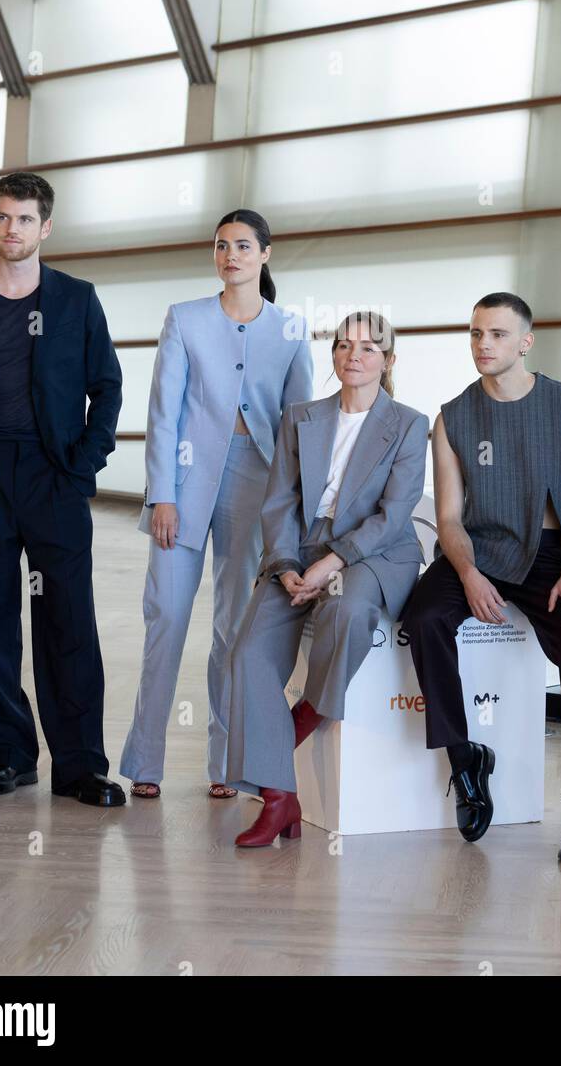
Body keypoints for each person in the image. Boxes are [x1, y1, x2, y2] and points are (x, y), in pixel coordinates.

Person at [0, 171, 125, 805]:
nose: (14, 229)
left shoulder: (76, 299)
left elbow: (108, 386)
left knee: (68, 617)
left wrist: (84, 462)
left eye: (26, 219)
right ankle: (7, 756)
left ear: (46, 227)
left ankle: (81, 766)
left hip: (52, 475)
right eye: (4, 217)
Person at [401, 293, 561, 862]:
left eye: (496, 334)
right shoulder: (453, 417)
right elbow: (447, 518)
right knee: (423, 616)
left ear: (524, 342)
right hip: (482, 548)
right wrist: (466, 572)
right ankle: (465, 759)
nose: (483, 345)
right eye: (475, 334)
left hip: (552, 558)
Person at [120, 210, 313, 800]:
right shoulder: (185, 319)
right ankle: (145, 761)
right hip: (183, 482)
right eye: (222, 246)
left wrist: (290, 512)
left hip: (255, 486)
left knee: (234, 628)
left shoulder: (290, 329)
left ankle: (225, 762)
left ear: (265, 255)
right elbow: (162, 413)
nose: (231, 255)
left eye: (244, 246)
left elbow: (298, 423)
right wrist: (162, 495)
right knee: (168, 617)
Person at [226, 311, 428, 847]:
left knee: (346, 611)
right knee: (247, 653)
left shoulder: (408, 423)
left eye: (368, 347)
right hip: (298, 547)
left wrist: (334, 560)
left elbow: (394, 512)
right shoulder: (302, 417)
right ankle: (280, 798)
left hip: (374, 552)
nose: (353, 355)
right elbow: (280, 501)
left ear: (388, 360)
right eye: (343, 345)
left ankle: (283, 748)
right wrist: (289, 564)